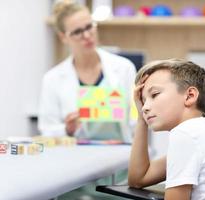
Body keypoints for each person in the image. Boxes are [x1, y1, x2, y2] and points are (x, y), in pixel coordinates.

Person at [128, 59, 205, 200]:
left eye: (155, 95)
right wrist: (141, 119)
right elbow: (138, 179)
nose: (145, 107)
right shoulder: (200, 132)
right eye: (143, 101)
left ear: (190, 96)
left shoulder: (187, 134)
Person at [38, 1, 136, 141]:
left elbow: (136, 118)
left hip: (120, 153)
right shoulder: (52, 79)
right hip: (74, 156)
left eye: (89, 27)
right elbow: (47, 130)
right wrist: (67, 129)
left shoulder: (124, 68)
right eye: (77, 32)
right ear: (63, 37)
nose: (87, 35)